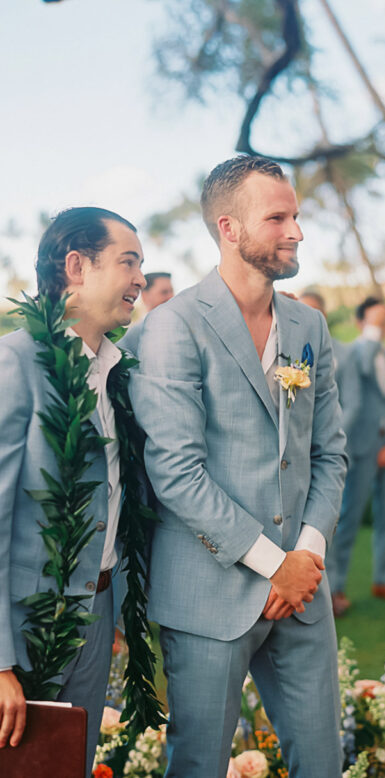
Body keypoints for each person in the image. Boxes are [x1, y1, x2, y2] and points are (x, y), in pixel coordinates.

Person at [130, 155, 348, 776]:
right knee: (198, 764)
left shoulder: (309, 325)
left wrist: (305, 556)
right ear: (229, 228)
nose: (297, 231)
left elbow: (330, 452)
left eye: (297, 216)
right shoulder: (173, 326)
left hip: (303, 589)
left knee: (323, 763)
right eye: (277, 217)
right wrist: (272, 564)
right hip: (209, 591)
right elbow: (176, 472)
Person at [0, 207, 148, 773]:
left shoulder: (115, 372)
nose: (139, 278)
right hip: (25, 628)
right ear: (76, 266)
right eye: (128, 261)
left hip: (97, 612)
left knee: (73, 767)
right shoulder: (17, 362)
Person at [327, 296, 385, 615]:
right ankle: (334, 587)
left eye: (384, 320)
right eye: (375, 319)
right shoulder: (352, 353)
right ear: (360, 323)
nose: (381, 325)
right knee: (347, 518)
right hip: (359, 447)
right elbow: (363, 368)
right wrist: (372, 334)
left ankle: (383, 580)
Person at [119, 270, 175, 354]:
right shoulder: (133, 336)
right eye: (164, 292)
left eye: (171, 291)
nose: (171, 297)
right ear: (145, 296)